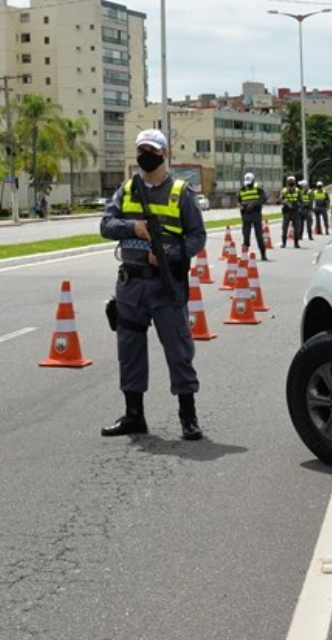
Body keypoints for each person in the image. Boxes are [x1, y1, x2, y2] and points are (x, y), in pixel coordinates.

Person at [100, 129, 208, 441]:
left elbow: (197, 238)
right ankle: (134, 416)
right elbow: (106, 225)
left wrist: (169, 255)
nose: (145, 155)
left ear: (163, 154)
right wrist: (132, 226)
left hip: (165, 284)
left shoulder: (180, 192)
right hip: (131, 284)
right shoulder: (127, 189)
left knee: (178, 350)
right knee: (129, 350)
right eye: (141, 149)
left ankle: (188, 417)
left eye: (151, 150)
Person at [238, 171, 267, 261]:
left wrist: (253, 205)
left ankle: (263, 255)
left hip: (256, 214)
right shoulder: (242, 189)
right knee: (246, 235)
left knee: (259, 235)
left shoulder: (258, 188)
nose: (248, 185)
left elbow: (263, 199)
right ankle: (245, 254)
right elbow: (239, 200)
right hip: (246, 214)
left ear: (253, 180)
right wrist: (245, 206)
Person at [280, 176, 303, 248]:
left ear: (294, 182)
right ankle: (284, 243)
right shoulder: (284, 191)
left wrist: (296, 205)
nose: (291, 183)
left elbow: (301, 201)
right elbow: (280, 200)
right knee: (284, 228)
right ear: (287, 183)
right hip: (286, 211)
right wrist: (286, 203)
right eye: (289, 182)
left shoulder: (298, 191)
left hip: (295, 211)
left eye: (292, 182)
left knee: (296, 228)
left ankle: (296, 243)